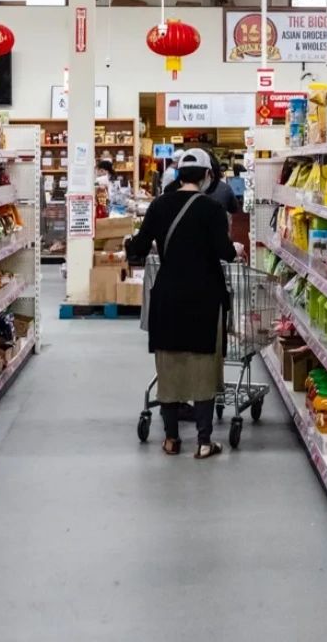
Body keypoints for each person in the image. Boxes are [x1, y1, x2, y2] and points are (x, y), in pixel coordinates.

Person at [126, 147, 235, 459]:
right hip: (204, 295)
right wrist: (235, 249)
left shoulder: (159, 206)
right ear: (207, 176)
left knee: (170, 364)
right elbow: (225, 251)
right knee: (203, 366)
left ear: (177, 175)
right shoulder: (212, 209)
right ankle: (203, 442)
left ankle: (171, 438)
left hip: (168, 294)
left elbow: (139, 246)